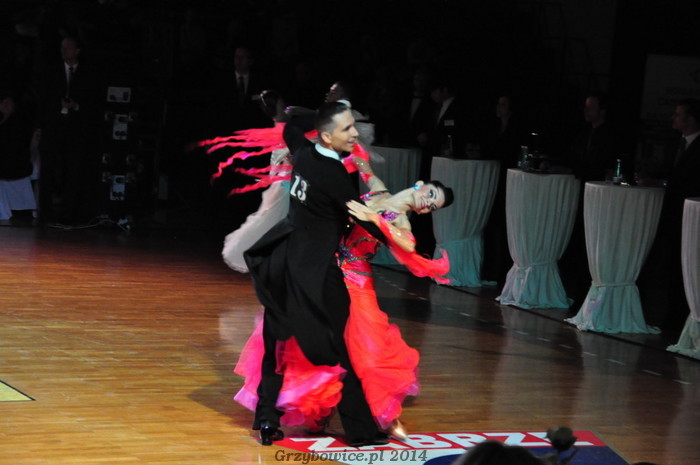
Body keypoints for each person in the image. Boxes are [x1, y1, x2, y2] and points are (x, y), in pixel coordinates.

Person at [234, 159, 453, 439]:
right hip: (325, 269)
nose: (427, 203)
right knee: (307, 342)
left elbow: (408, 244)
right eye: (431, 195)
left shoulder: (400, 220)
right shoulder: (378, 191)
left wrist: (375, 218)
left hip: (356, 283)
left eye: (432, 206)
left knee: (365, 353)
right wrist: (342, 155)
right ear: (420, 185)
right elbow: (365, 167)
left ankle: (382, 415)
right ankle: (319, 409)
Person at [242, 101, 388, 447]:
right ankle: (360, 432)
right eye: (346, 128)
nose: (355, 134)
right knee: (342, 349)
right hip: (316, 273)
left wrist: (314, 115)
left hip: (283, 261)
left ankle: (266, 419)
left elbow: (291, 125)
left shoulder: (304, 152)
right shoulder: (333, 175)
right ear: (326, 136)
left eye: (353, 125)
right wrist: (403, 242)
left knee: (277, 345)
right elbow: (366, 219)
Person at [34, 35, 100, 224]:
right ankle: (45, 212)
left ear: (77, 51)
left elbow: (93, 101)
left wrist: (76, 105)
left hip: (75, 129)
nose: (64, 51)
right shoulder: (52, 71)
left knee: (73, 169)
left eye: (68, 48)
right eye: (62, 48)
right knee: (48, 169)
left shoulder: (87, 73)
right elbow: (43, 99)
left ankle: (69, 211)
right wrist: (41, 125)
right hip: (54, 126)